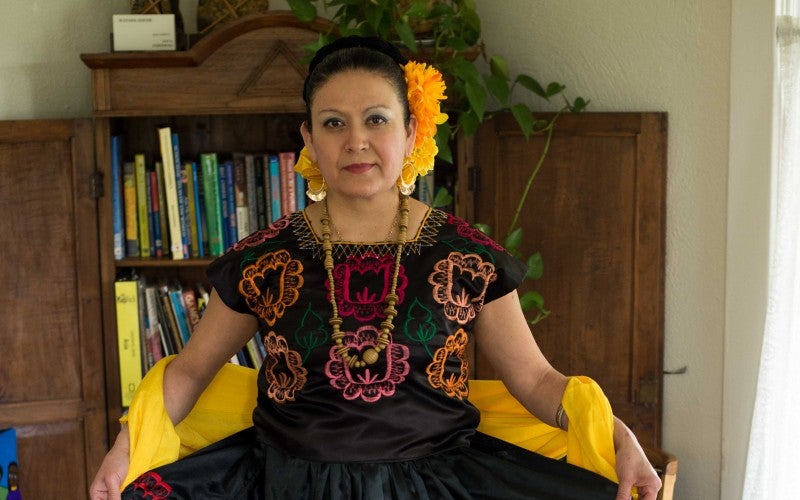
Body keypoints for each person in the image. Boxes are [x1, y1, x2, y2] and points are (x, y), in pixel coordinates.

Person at [90, 35, 661, 500]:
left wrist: (618, 438)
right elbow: (190, 373)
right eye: (334, 123)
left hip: (440, 484)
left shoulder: (467, 256)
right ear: (308, 140)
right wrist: (127, 448)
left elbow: (536, 381)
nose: (356, 141)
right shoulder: (263, 258)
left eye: (377, 119)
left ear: (411, 131)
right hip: (288, 484)